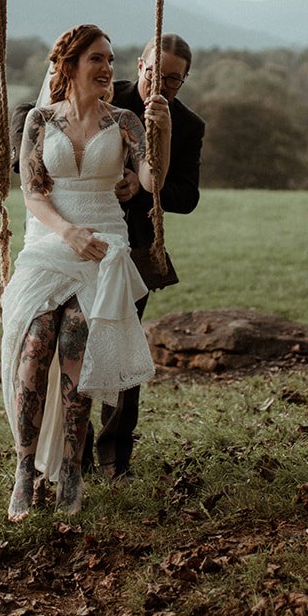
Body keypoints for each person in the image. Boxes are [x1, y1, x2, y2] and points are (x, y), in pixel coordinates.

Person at [0, 24, 171, 521]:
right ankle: (26, 469)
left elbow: (150, 180)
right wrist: (66, 232)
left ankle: (72, 468)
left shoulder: (125, 121)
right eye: (98, 59)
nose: (108, 69)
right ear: (69, 64)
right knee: (35, 349)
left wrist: (161, 129)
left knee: (76, 347)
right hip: (51, 240)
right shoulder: (39, 120)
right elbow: (32, 193)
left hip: (104, 241)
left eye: (112, 61)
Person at [91, 33, 204, 478]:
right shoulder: (103, 94)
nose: (163, 83)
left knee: (124, 345)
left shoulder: (189, 125)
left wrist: (141, 188)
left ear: (185, 80)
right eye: (156, 72)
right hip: (85, 235)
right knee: (77, 345)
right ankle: (73, 451)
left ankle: (115, 456)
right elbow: (38, 111)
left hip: (135, 245)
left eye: (175, 79)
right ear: (139, 65)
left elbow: (188, 196)